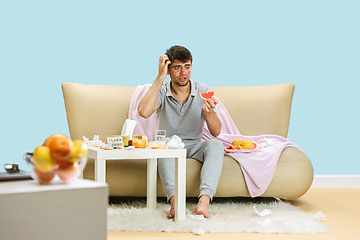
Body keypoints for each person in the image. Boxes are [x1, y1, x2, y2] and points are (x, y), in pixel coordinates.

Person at [138, 45, 224, 218]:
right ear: (169, 69)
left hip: (194, 146)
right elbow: (143, 111)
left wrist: (209, 113)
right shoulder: (161, 92)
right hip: (169, 146)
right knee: (163, 150)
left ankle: (203, 204)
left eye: (187, 67)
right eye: (177, 68)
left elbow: (216, 132)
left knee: (216, 145)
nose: (183, 73)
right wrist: (160, 76)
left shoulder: (203, 90)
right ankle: (176, 205)